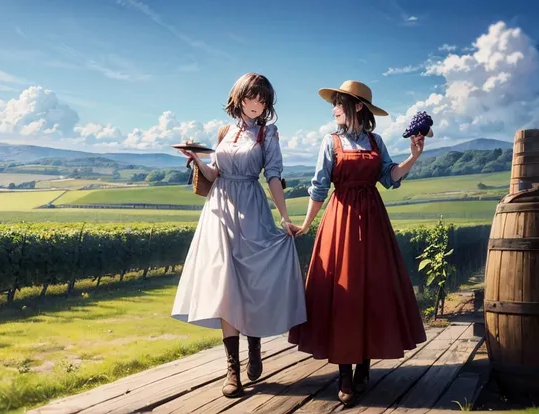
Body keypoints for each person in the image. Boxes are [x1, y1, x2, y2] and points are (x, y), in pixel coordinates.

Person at [287, 80, 428, 406]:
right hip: (340, 223)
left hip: (374, 223)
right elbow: (319, 187)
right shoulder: (330, 141)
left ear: (358, 107)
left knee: (371, 289)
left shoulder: (376, 140)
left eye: (339, 103)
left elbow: (390, 178)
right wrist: (307, 224)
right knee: (344, 293)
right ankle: (345, 376)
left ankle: (364, 364)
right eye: (335, 103)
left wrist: (414, 157)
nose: (334, 109)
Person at [171, 72, 307, 398]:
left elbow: (273, 177)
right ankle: (232, 369)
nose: (257, 104)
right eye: (251, 97)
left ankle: (255, 344)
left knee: (251, 283)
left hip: (252, 210)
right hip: (218, 213)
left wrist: (286, 218)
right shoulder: (224, 132)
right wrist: (196, 160)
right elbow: (214, 174)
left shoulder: (268, 134)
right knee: (224, 287)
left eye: (263, 99)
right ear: (239, 97)